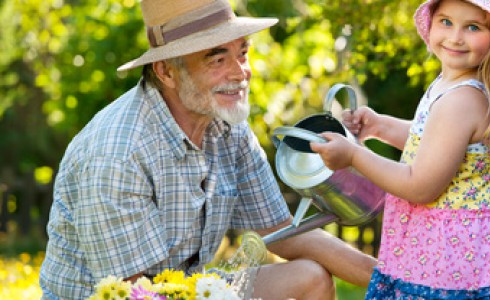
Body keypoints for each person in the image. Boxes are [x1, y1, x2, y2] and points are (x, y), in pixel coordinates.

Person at [39, 0, 376, 299]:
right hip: (124, 296)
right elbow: (134, 293)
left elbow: (280, 232)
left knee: (310, 279)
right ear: (166, 71)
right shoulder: (119, 153)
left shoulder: (227, 126)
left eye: (242, 52)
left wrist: (396, 280)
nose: (241, 72)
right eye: (217, 59)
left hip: (187, 290)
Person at [311, 0, 490, 298]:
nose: (455, 37)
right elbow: (435, 143)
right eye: (446, 22)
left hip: (458, 261)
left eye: (472, 27)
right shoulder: (454, 84)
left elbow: (420, 186)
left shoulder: (460, 100)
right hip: (467, 252)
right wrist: (379, 127)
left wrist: (355, 155)